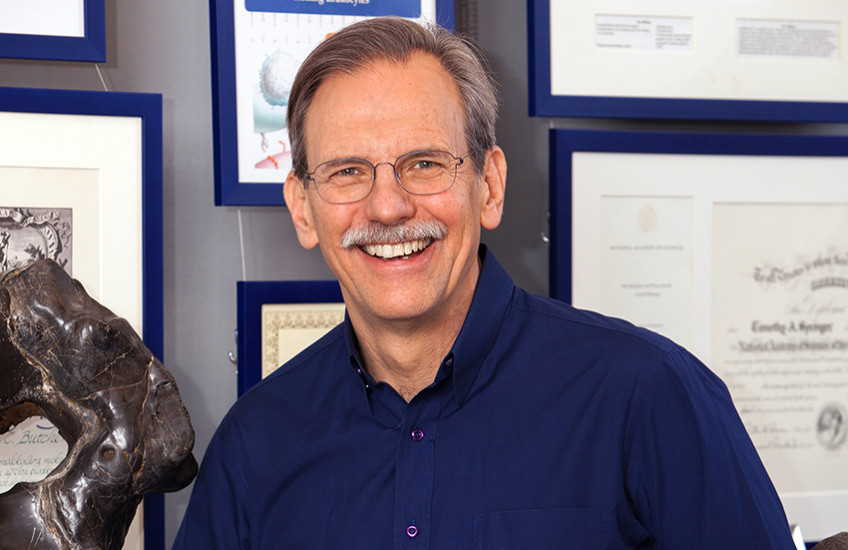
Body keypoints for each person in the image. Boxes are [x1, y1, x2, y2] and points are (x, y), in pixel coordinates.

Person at [173, 17, 795, 549]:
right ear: (304, 209)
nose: (387, 207)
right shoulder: (255, 445)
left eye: (423, 164)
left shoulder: (648, 397)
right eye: (347, 172)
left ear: (489, 186)